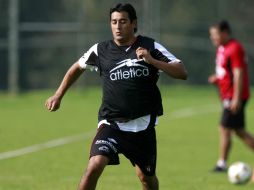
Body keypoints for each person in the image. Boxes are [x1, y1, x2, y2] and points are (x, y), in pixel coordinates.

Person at [45, 3, 187, 190]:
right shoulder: (100, 50)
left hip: (142, 127)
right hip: (111, 123)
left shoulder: (149, 46)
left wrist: (152, 61)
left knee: (146, 178)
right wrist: (58, 94)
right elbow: (76, 68)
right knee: (94, 166)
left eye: (123, 21)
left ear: (133, 23)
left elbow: (181, 71)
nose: (118, 27)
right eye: (114, 22)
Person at [208, 20, 254, 172]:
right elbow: (226, 71)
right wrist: (218, 78)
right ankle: (222, 163)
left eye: (215, 35)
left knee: (225, 127)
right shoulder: (222, 47)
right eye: (211, 35)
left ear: (225, 33)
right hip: (228, 95)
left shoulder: (234, 48)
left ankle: (221, 163)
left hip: (234, 96)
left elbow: (238, 73)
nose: (213, 38)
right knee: (238, 130)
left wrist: (236, 98)